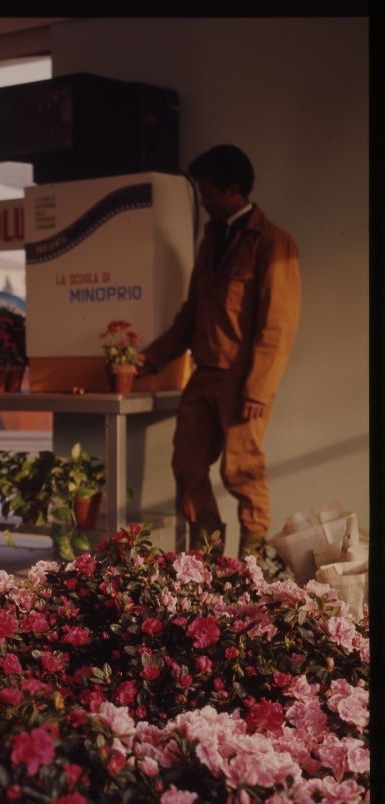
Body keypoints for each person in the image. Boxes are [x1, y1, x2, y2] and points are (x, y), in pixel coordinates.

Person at [139, 145, 301, 558]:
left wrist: (257, 390)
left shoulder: (273, 243)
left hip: (243, 381)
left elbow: (277, 328)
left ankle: (253, 561)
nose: (204, 202)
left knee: (241, 471)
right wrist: (150, 359)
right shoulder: (212, 238)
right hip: (203, 375)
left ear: (234, 190)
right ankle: (205, 561)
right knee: (187, 467)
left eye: (208, 194)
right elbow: (192, 314)